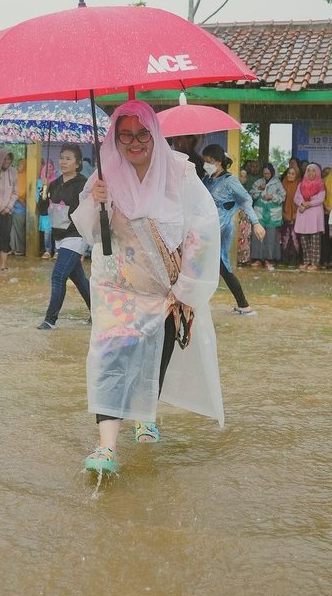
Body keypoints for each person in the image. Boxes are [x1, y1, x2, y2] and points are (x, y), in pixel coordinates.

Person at [72, 102, 223, 473]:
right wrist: (98, 203)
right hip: (117, 289)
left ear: (154, 134)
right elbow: (91, 233)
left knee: (153, 361)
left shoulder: (180, 172)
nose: (134, 142)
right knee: (109, 358)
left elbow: (202, 230)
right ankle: (106, 447)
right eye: (125, 134)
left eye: (142, 134)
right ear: (115, 138)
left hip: (166, 291)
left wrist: (188, 288)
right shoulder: (103, 177)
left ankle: (144, 414)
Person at [201, 144, 265, 314]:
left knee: (220, 264)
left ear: (219, 161)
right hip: (206, 227)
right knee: (207, 263)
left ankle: (244, 305)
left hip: (222, 228)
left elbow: (245, 201)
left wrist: (256, 222)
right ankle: (242, 305)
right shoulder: (206, 179)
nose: (206, 164)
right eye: (205, 161)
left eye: (210, 161)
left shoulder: (230, 181)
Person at [37, 145, 90, 329]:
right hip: (59, 237)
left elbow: (90, 210)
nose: (63, 161)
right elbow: (43, 211)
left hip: (76, 235)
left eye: (68, 158)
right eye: (61, 157)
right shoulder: (53, 184)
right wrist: (42, 196)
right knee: (80, 280)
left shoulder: (84, 185)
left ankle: (50, 320)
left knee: (58, 276)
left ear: (77, 163)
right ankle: (98, 314)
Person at [249, 163, 286, 270]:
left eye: (268, 173)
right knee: (258, 236)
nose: (266, 175)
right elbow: (251, 195)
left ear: (272, 173)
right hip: (259, 213)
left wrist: (272, 196)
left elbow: (283, 197)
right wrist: (259, 189)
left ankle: (269, 259)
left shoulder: (277, 183)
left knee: (271, 237)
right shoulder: (258, 182)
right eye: (264, 173)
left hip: (273, 214)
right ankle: (257, 259)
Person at [294, 163, 326, 271]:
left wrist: (308, 204)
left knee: (315, 241)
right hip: (303, 215)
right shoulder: (301, 184)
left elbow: (321, 199)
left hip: (315, 215)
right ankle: (307, 262)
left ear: (317, 172)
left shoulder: (320, 184)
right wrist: (302, 203)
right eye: (308, 171)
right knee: (304, 240)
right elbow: (296, 198)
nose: (311, 173)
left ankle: (315, 263)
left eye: (313, 171)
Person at [280, 166, 301, 267]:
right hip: (283, 214)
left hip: (296, 215)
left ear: (296, 175)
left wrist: (295, 214)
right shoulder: (282, 184)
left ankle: (294, 258)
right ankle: (285, 258)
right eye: (289, 173)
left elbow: (298, 201)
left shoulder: (299, 185)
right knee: (284, 237)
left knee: (294, 237)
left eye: (293, 173)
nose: (290, 175)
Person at [37, 159, 57, 259]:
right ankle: (47, 250)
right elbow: (42, 198)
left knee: (56, 231)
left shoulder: (56, 182)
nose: (49, 172)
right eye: (46, 170)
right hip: (45, 211)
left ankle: (57, 251)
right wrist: (45, 186)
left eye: (50, 170)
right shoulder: (40, 183)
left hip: (55, 211)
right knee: (47, 232)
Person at [10, 158, 27, 255]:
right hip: (14, 206)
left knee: (19, 229)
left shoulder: (26, 176)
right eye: (18, 164)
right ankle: (14, 248)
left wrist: (20, 199)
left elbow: (21, 193)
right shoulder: (17, 175)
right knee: (13, 228)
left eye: (21, 164)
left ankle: (20, 248)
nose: (19, 167)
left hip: (21, 207)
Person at [236, 168, 252, 266]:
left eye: (244, 176)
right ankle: (237, 259)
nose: (243, 178)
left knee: (245, 238)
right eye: (241, 176)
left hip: (246, 217)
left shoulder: (248, 189)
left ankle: (244, 260)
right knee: (238, 237)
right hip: (236, 216)